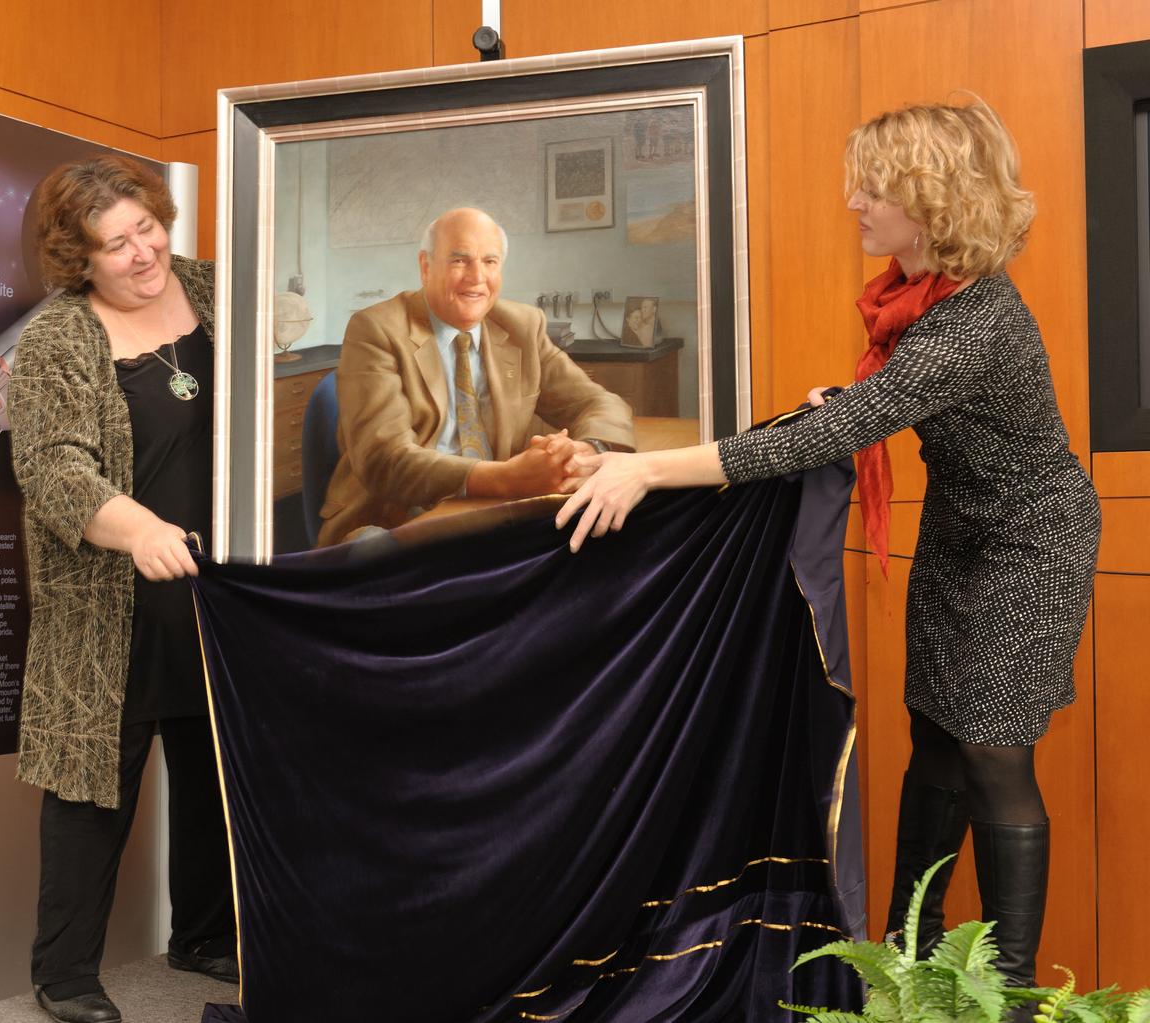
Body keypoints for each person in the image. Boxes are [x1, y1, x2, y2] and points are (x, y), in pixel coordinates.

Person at [556, 99, 1100, 1014]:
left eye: (874, 187)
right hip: (963, 534)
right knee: (935, 739)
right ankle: (905, 960)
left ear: (929, 200)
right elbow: (870, 402)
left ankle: (1003, 995)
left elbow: (844, 428)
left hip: (1031, 544)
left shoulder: (963, 329)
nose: (854, 200)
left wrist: (648, 469)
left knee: (994, 755)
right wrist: (850, 402)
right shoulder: (920, 298)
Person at [8, 155, 236, 1023]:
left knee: (215, 767)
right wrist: (135, 527)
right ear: (80, 260)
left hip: (217, 592)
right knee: (89, 786)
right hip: (109, 602)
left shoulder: (214, 288)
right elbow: (53, 468)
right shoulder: (60, 337)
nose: (145, 254)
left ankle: (206, 935)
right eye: (117, 244)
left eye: (150, 228)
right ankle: (64, 973)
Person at [318, 206, 635, 547]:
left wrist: (586, 450)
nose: (477, 277)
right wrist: (507, 478)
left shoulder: (522, 327)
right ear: (426, 267)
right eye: (459, 260)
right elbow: (386, 460)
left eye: (490, 261)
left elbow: (598, 402)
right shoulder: (376, 330)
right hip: (394, 519)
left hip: (494, 513)